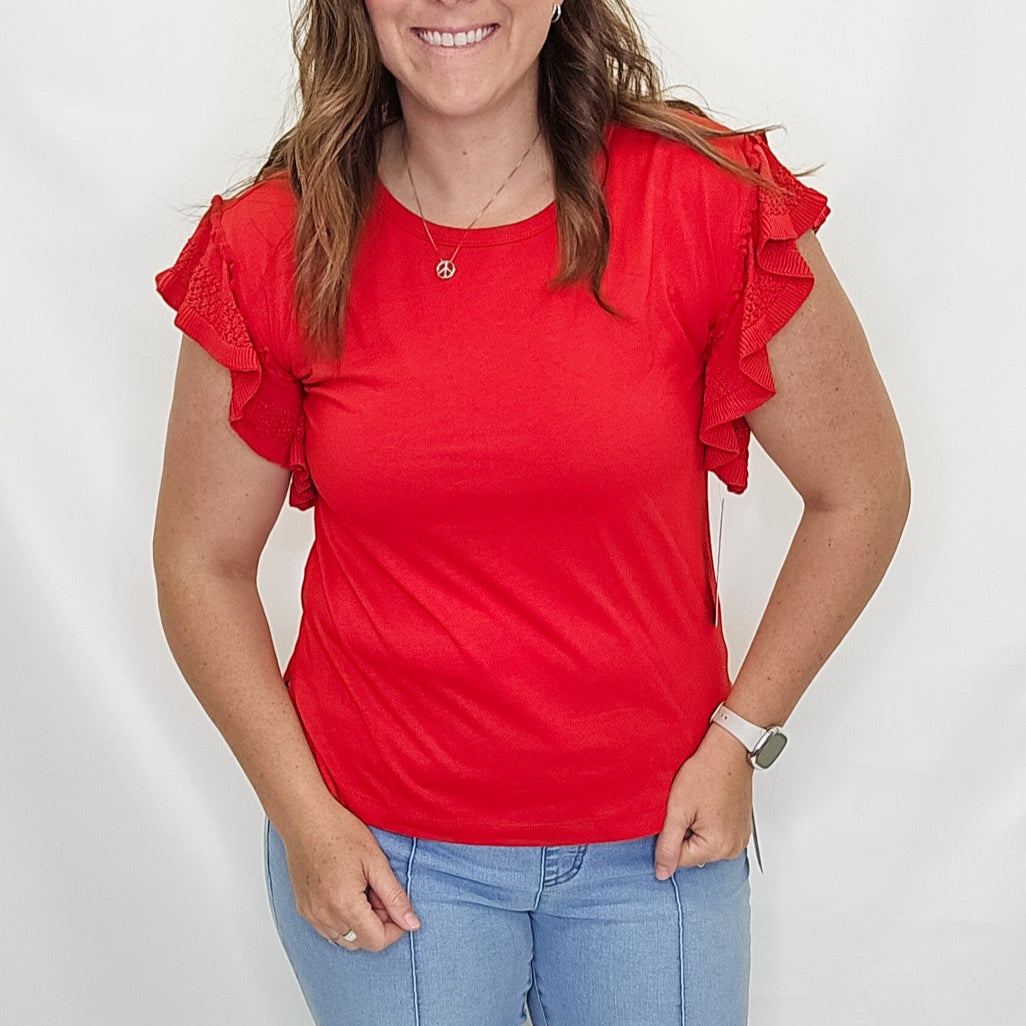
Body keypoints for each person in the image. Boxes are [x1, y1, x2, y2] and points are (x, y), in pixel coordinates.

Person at [152, 1, 910, 1023]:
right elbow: (200, 561)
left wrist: (743, 735)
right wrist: (304, 819)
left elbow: (860, 489)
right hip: (384, 856)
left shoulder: (705, 202)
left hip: (658, 852)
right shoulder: (274, 245)